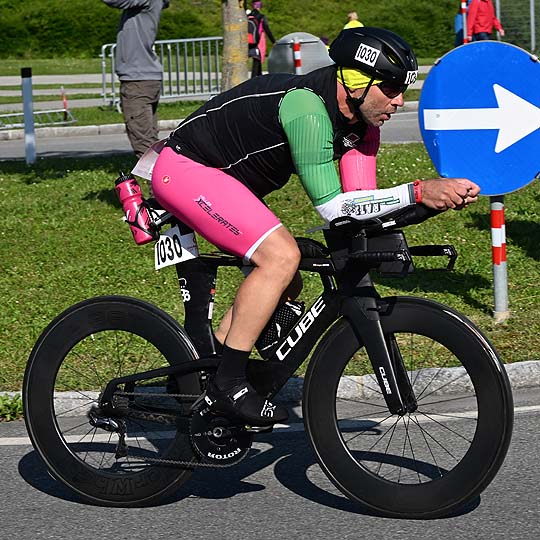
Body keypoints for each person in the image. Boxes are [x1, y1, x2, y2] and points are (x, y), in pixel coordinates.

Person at [150, 27, 480, 427]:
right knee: (280, 257)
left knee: (289, 274)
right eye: (391, 89)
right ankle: (228, 385)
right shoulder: (307, 109)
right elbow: (332, 208)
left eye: (403, 90)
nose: (399, 101)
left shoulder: (363, 127)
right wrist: (418, 191)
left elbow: (358, 210)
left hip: (228, 184)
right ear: (356, 82)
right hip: (185, 170)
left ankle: (209, 369)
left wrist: (427, 205)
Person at [102, 0, 169, 159]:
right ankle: (160, 171)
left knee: (143, 139)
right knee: (148, 137)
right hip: (143, 77)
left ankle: (158, 173)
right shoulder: (140, 6)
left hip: (138, 79)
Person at [247, 1, 276, 78]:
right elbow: (267, 29)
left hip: (247, 41)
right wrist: (273, 41)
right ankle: (253, 80)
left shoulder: (247, 16)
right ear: (260, 6)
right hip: (257, 42)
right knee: (257, 59)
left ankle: (260, 77)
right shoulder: (261, 17)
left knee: (257, 60)